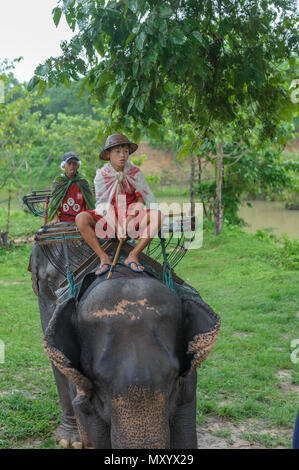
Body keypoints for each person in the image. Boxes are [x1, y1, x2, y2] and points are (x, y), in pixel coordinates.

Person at [76, 133, 162, 275]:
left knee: (157, 216)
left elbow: (141, 199)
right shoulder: (102, 175)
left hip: (131, 217)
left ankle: (133, 255)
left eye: (126, 151)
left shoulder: (135, 172)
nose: (122, 155)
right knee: (81, 218)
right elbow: (104, 205)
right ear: (108, 154)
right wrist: (118, 226)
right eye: (117, 151)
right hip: (108, 218)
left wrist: (128, 219)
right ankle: (103, 258)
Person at [47, 152, 95, 225]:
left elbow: (90, 202)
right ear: (63, 166)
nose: (72, 166)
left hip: (82, 217)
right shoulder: (60, 183)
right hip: (64, 218)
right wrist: (55, 217)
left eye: (74, 164)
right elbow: (54, 202)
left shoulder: (83, 182)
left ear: (78, 166)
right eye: (69, 164)